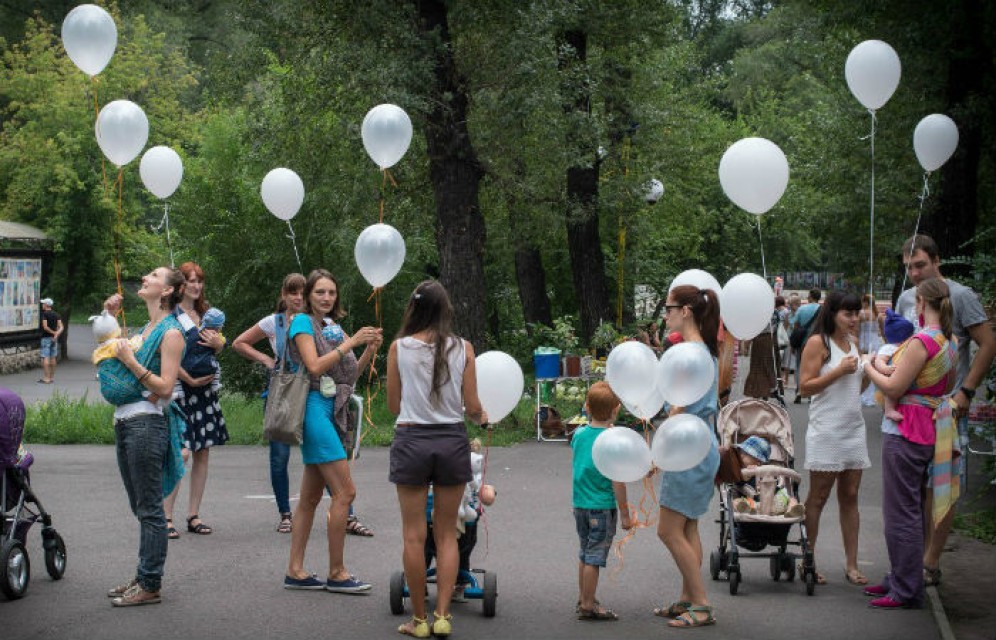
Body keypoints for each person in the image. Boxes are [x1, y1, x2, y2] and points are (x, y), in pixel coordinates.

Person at [894, 234, 996, 587]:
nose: (915, 273)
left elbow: (987, 344)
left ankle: (930, 561)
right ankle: (911, 560)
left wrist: (966, 391)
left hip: (947, 408)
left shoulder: (961, 295)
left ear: (937, 260)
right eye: (908, 267)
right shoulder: (908, 297)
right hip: (909, 411)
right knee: (910, 489)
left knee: (941, 485)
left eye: (920, 264)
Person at [387, 280, 487, 638]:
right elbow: (473, 407)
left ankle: (418, 621)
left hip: (412, 439)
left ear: (414, 309)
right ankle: (443, 616)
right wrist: (482, 416)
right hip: (451, 440)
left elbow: (394, 406)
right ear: (446, 310)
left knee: (414, 537)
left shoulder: (399, 348)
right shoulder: (464, 348)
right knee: (447, 534)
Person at [283, 269, 381, 593]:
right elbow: (313, 367)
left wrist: (369, 349)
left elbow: (349, 376)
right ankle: (337, 573)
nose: (326, 298)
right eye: (320, 292)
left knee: (310, 498)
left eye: (331, 293)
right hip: (314, 408)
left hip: (332, 407)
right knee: (345, 493)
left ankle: (295, 570)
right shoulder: (301, 322)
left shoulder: (332, 327)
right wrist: (351, 341)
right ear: (308, 295)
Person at [862, 278, 958, 609]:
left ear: (920, 303)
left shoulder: (922, 341)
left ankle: (905, 587)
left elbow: (893, 388)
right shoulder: (950, 340)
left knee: (900, 513)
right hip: (931, 429)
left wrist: (868, 366)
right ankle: (903, 577)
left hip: (907, 430)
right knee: (913, 509)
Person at [99, 268, 186, 606]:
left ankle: (150, 583)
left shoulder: (172, 333)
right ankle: (143, 574)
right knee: (141, 505)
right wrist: (107, 319)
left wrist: (131, 361)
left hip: (147, 425)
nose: (145, 278)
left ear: (166, 291)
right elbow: (111, 354)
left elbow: (165, 387)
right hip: (126, 422)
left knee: (150, 508)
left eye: (154, 275)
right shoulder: (145, 329)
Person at [654, 284, 721, 628]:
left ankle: (702, 604)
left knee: (667, 530)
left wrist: (656, 452)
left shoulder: (688, 355)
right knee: (688, 526)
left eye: (669, 308)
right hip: (702, 442)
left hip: (686, 444)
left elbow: (676, 408)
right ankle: (688, 598)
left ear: (686, 311)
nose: (665, 314)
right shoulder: (705, 351)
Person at [798, 291, 870, 586]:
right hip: (826, 430)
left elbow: (858, 387)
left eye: (856, 313)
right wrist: (839, 371)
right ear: (833, 314)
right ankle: (808, 560)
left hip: (853, 428)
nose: (854, 319)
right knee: (818, 496)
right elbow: (805, 387)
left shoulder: (853, 344)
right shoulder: (819, 343)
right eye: (848, 314)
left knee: (850, 496)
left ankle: (851, 564)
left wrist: (869, 370)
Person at [232, 273, 306, 534]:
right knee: (279, 457)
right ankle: (285, 514)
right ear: (284, 295)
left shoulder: (318, 320)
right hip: (283, 393)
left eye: (302, 292)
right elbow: (239, 342)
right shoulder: (273, 322)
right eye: (292, 292)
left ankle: (347, 514)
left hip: (313, 391)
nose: (298, 297)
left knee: (325, 452)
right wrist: (266, 360)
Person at [163, 262, 228, 539]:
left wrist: (220, 345)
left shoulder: (206, 313)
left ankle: (193, 515)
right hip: (181, 390)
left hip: (206, 392)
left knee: (203, 452)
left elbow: (218, 346)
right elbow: (162, 352)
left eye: (199, 281)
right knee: (182, 452)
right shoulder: (171, 315)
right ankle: (165, 516)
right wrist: (186, 377)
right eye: (191, 281)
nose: (196, 286)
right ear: (181, 285)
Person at [570, 381, 632, 621]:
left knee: (585, 553)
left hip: (580, 505)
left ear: (586, 407)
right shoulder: (612, 441)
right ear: (616, 410)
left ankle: (583, 597)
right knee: (594, 557)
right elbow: (618, 481)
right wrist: (625, 514)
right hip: (601, 506)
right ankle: (588, 604)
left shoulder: (579, 434)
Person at [729, 435, 805, 518]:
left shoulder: (766, 471)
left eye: (746, 454)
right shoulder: (741, 471)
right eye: (741, 452)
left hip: (775, 501)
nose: (741, 456)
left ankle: (792, 510)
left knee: (792, 499)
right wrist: (747, 473)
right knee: (736, 502)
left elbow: (777, 486)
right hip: (752, 503)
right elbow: (738, 480)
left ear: (758, 462)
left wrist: (753, 472)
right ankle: (749, 511)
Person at [872, 310, 917, 422]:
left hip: (900, 377)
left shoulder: (905, 346)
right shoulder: (889, 348)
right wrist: (885, 369)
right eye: (910, 335)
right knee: (890, 395)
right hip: (890, 377)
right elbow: (879, 361)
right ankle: (889, 410)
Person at [791, 289, 822, 403]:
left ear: (810, 296)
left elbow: (796, 325)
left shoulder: (802, 309)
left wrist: (793, 342)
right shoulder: (822, 310)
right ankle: (811, 393)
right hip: (817, 343)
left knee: (799, 366)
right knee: (814, 367)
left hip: (802, 342)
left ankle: (799, 390)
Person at [39, 297, 63, 384]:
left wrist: (53, 332)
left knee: (45, 357)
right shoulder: (56, 314)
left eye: (43, 304)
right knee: (53, 357)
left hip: (46, 338)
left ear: (46, 305)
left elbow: (45, 327)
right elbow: (61, 327)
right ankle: (51, 377)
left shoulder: (45, 314)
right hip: (54, 339)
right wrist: (56, 333)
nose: (42, 305)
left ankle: (46, 378)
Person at [781, 294, 801, 392]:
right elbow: (785, 327)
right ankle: (786, 380)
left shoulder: (800, 313)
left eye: (797, 303)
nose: (794, 305)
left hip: (798, 338)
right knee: (787, 360)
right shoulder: (787, 314)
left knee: (797, 360)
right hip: (789, 338)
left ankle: (797, 382)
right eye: (792, 303)